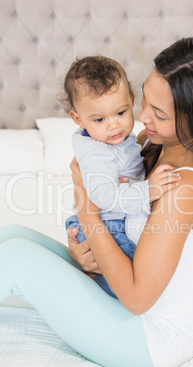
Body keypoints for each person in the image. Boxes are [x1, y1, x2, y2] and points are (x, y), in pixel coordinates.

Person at [0, 37, 193, 367]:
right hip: (121, 302)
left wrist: (88, 212)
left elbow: (138, 298)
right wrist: (85, 258)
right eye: (144, 100)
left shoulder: (184, 188)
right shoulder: (151, 142)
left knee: (17, 258)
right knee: (13, 236)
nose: (141, 116)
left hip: (151, 338)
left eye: (159, 113)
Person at [63, 56, 181, 297]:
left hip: (106, 221)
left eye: (120, 112)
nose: (113, 126)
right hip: (110, 225)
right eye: (99, 119)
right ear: (78, 119)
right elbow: (103, 196)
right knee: (119, 286)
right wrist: (147, 190)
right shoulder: (97, 153)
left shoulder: (132, 140)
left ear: (131, 101)